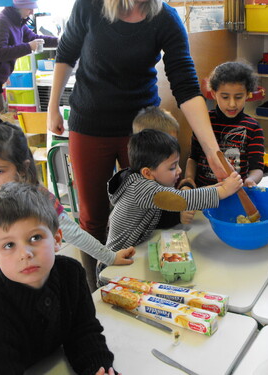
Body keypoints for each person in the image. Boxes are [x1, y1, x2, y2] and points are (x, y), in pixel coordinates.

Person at [47, 0, 226, 284]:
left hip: (143, 129)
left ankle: (140, 281)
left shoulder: (165, 17)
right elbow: (66, 53)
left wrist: (213, 152)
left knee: (152, 206)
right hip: (91, 124)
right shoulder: (89, 6)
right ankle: (96, 287)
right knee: (94, 217)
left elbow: (186, 85)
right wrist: (53, 105)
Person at [0, 182, 118, 375]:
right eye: (8, 245)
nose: (25, 254)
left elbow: (82, 331)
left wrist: (98, 368)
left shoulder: (71, 274)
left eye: (35, 238)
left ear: (57, 239)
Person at [0, 116, 134, 297]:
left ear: (22, 169)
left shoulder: (41, 201)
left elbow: (75, 234)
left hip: (30, 291)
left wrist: (110, 257)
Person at [97, 129, 242, 279]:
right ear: (147, 173)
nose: (179, 170)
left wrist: (220, 186)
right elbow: (182, 199)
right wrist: (224, 190)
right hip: (112, 266)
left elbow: (182, 197)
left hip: (133, 254)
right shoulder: (141, 188)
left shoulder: (148, 182)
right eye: (172, 167)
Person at [0, 0, 58, 120]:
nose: (32, 12)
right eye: (29, 8)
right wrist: (29, 47)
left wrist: (60, 41)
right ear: (19, 7)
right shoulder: (1, 22)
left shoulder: (18, 21)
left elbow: (34, 38)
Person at [185, 61, 265, 188]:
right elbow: (193, 158)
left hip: (236, 193)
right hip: (205, 192)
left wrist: (250, 180)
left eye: (238, 97)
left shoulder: (253, 127)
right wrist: (189, 180)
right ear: (213, 94)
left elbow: (257, 168)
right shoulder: (203, 121)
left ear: (248, 95)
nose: (232, 104)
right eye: (225, 97)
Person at [133, 106, 195, 225]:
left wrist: (186, 187)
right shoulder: (138, 185)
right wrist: (178, 217)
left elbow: (179, 186)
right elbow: (149, 219)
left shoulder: (167, 166)